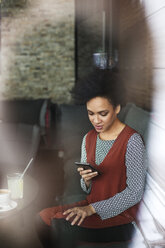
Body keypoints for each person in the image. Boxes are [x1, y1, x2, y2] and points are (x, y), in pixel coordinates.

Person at [36, 69, 147, 248]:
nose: (96, 120)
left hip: (122, 217)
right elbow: (87, 188)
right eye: (91, 113)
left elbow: (134, 193)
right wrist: (86, 181)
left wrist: (91, 209)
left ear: (117, 108)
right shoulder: (88, 138)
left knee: (61, 226)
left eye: (103, 113)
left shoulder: (132, 140)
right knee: (42, 218)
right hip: (92, 205)